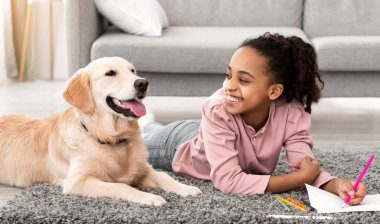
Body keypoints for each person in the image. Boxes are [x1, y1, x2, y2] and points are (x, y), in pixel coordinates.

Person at [141, 32, 367, 205]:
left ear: (274, 92)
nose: (229, 86)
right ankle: (145, 122)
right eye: (229, 75)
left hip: (209, 134)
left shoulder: (291, 112)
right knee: (135, 140)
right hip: (177, 146)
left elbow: (304, 165)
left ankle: (148, 123)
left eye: (243, 80)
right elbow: (227, 181)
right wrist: (296, 180)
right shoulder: (218, 108)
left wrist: (336, 185)